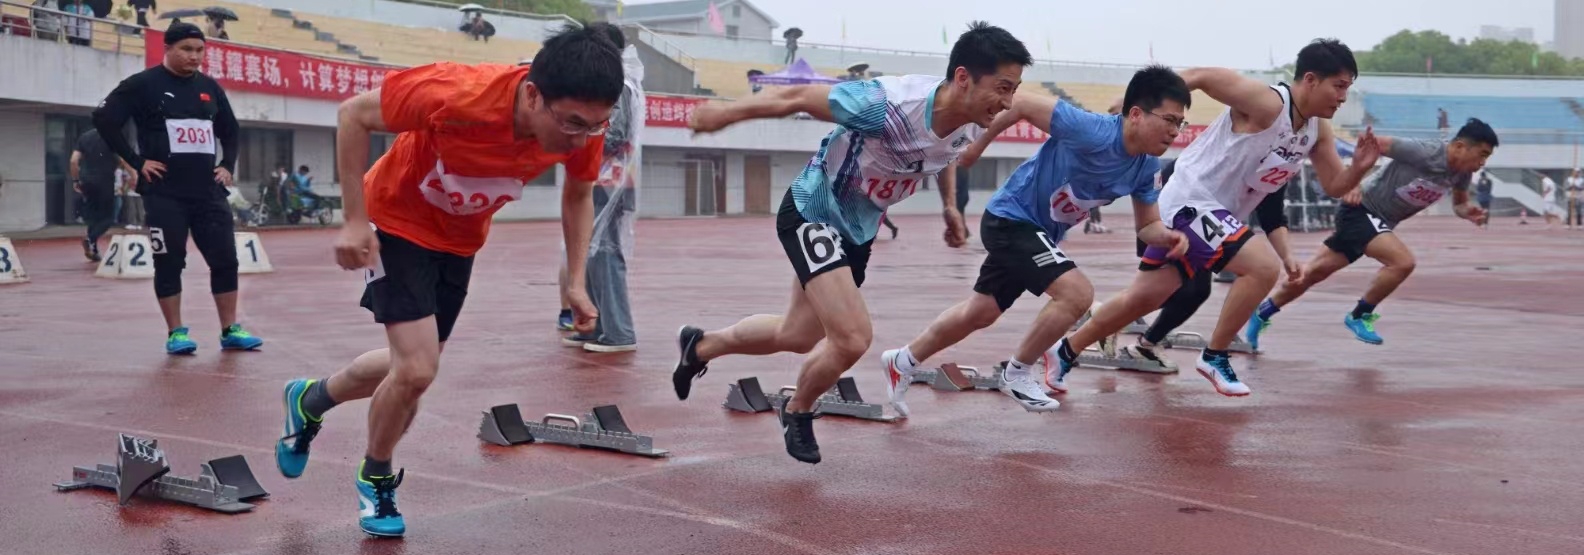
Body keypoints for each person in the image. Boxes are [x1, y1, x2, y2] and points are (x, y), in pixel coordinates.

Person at [270, 23, 623, 538]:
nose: (580, 138)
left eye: (595, 126)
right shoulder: (456, 93)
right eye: (571, 123)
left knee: (410, 366)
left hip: (459, 240)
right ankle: (376, 476)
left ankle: (310, 400)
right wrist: (353, 220)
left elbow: (578, 195)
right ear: (532, 94)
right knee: (417, 371)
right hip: (396, 222)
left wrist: (574, 282)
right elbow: (353, 115)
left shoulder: (583, 128)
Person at [672, 21, 1031, 464]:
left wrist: (949, 207)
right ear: (963, 78)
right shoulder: (887, 105)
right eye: (1002, 88)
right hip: (814, 209)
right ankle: (798, 409)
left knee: (797, 334)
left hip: (858, 231)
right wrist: (725, 115)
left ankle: (700, 346)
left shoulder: (973, 122)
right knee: (852, 338)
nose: (1007, 102)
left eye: (1014, 90)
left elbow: (945, 154)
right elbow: (797, 96)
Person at [1051, 39, 1377, 397]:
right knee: (1262, 268)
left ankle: (1064, 351)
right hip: (1189, 200)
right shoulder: (1269, 103)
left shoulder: (1318, 129)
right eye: (1339, 86)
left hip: (1214, 217)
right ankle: (1214, 355)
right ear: (1311, 80)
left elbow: (1334, 185)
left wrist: (1359, 168)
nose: (1343, 97)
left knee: (1144, 298)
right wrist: (1140, 105)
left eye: (1348, 88)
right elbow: (1203, 76)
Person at [878, 65, 1191, 415]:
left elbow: (1147, 226)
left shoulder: (1146, 169)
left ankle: (902, 360)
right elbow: (1022, 104)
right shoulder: (1091, 129)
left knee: (980, 312)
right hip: (1011, 218)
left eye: (1180, 123)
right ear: (1136, 114)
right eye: (1169, 120)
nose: (1174, 131)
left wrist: (1168, 236)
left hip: (1039, 233)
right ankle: (1017, 373)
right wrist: (975, 148)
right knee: (1076, 294)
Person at [92, 22, 263, 355]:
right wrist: (136, 161)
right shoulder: (142, 85)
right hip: (164, 193)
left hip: (208, 193)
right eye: (186, 49)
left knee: (226, 261)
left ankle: (230, 329)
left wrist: (227, 165)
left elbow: (230, 130)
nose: (194, 57)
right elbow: (103, 118)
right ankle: (176, 333)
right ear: (167, 48)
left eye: (200, 50)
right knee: (169, 263)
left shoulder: (210, 87)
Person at [1247, 120, 1496, 347]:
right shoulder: (1425, 152)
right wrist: (1351, 183)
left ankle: (1260, 314)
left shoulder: (1463, 173)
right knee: (1402, 262)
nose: (1483, 162)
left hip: (1378, 222)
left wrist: (1468, 212)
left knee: (1313, 273)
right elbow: (1372, 144)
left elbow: (1459, 204)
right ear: (1460, 146)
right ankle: (1360, 315)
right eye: (1482, 154)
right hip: (1360, 209)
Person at [1117, 155, 1294, 368]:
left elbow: (1273, 218)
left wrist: (1287, 258)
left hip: (1210, 222)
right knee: (1183, 289)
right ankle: (1118, 325)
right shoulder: (1238, 150)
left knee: (1194, 291)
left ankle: (1139, 338)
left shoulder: (1279, 167)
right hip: (1177, 209)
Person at [71, 128, 133, 261]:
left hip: (87, 181)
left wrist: (76, 180)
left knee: (94, 217)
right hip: (105, 181)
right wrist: (133, 175)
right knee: (110, 217)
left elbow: (73, 161)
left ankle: (93, 249)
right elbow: (123, 159)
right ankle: (90, 239)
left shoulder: (85, 136)